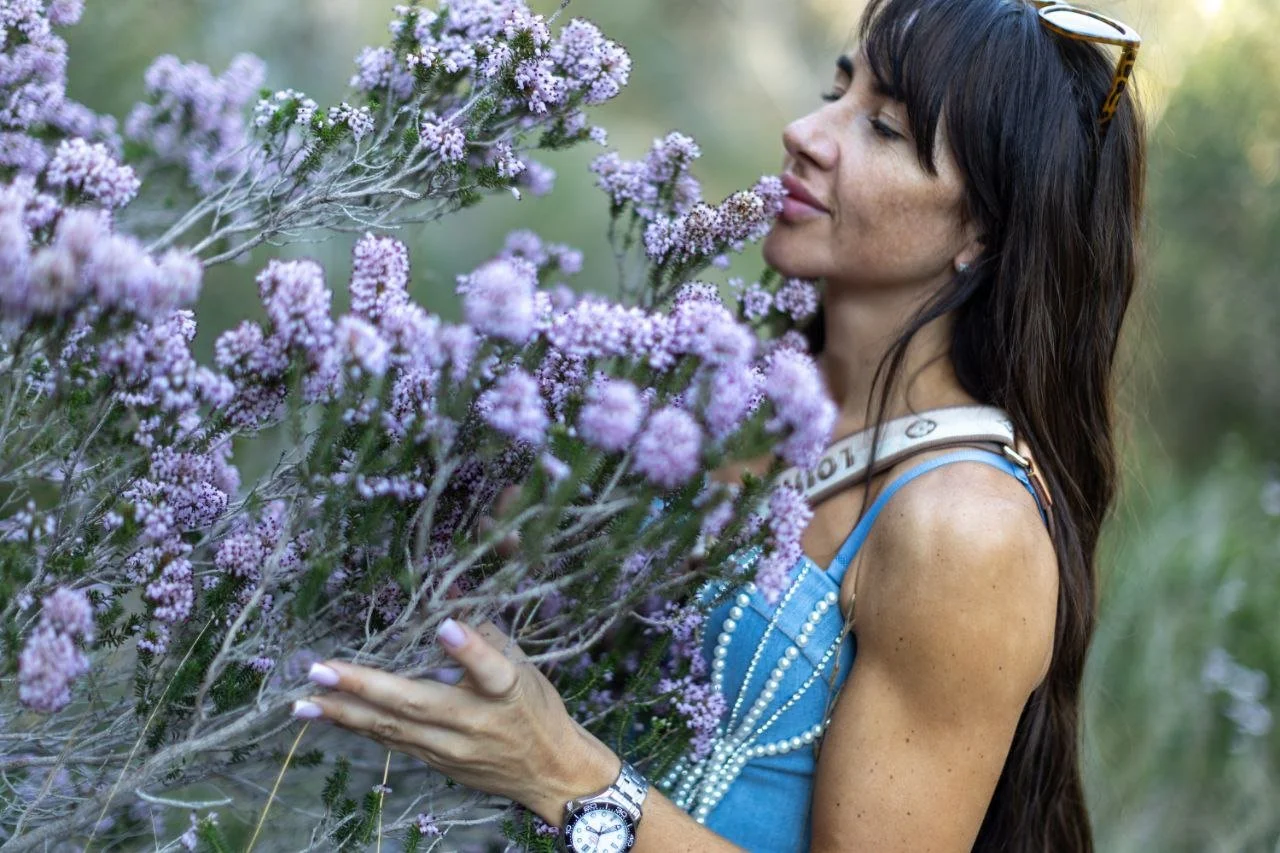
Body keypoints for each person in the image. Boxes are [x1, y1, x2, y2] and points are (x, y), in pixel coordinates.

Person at [289, 0, 1147, 849]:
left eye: (884, 128)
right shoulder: (733, 399)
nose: (806, 132)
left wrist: (560, 772)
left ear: (988, 232)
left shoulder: (966, 526)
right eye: (835, 90)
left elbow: (559, 756)